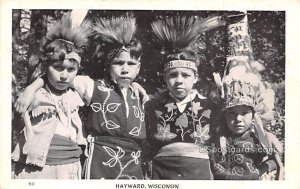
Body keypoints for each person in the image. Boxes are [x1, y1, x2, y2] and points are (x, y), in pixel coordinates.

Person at [14, 13, 148, 180]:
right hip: (100, 162)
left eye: (131, 64)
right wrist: (30, 89)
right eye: (119, 63)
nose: (125, 69)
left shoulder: (141, 96)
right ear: (108, 64)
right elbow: (57, 76)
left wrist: (133, 84)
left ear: (139, 67)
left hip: (132, 163)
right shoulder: (91, 86)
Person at [143, 16, 225, 180]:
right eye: (173, 75)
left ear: (195, 78)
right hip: (162, 171)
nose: (179, 80)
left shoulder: (210, 105)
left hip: (198, 171)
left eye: (186, 75)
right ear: (165, 78)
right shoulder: (153, 106)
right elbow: (147, 145)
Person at [11, 12, 91, 179]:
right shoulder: (36, 94)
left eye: (71, 70)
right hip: (37, 167)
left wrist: (133, 84)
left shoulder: (78, 92)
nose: (64, 76)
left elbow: (106, 86)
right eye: (58, 68)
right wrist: (30, 89)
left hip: (70, 166)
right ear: (47, 67)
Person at [210, 65, 283, 180]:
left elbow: (276, 161)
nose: (238, 118)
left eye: (244, 113)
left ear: (254, 116)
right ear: (224, 116)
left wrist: (259, 171)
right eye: (232, 113)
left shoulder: (259, 139)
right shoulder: (216, 139)